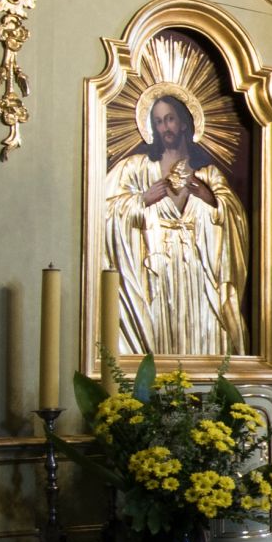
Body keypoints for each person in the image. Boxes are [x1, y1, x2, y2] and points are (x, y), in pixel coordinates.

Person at [104, 87, 249, 363]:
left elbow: (234, 218)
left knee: (200, 338)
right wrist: (141, 201)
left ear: (184, 123)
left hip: (198, 277)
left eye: (170, 119)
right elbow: (105, 213)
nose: (165, 128)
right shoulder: (136, 169)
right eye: (158, 121)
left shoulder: (209, 176)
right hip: (155, 277)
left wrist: (210, 200)